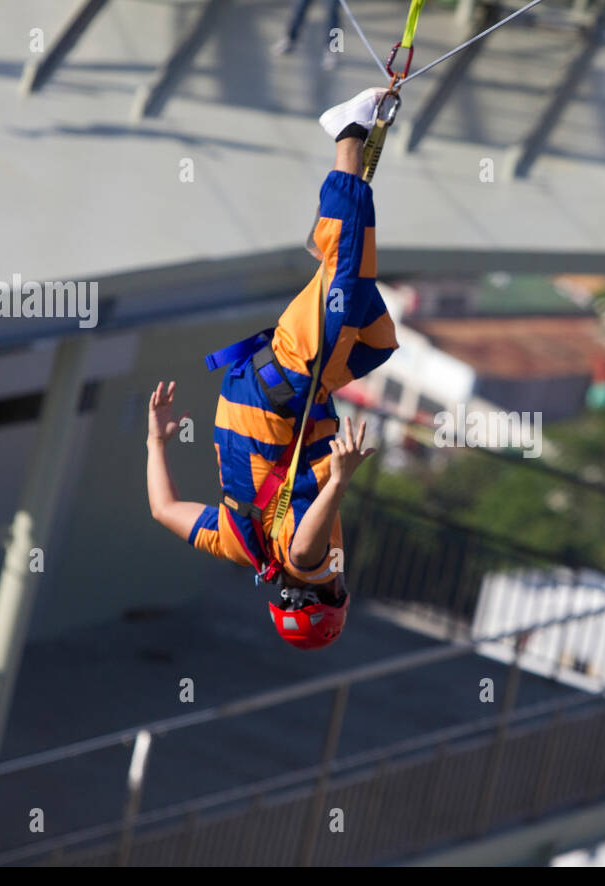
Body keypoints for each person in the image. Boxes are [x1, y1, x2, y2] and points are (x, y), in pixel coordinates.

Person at [146, 88, 398, 648]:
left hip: (282, 389)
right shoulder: (239, 545)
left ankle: (346, 132)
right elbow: (162, 509)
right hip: (261, 392)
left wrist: (342, 479)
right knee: (375, 340)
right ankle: (329, 269)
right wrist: (156, 442)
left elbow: (308, 547)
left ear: (325, 598)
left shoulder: (309, 561)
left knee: (348, 274)